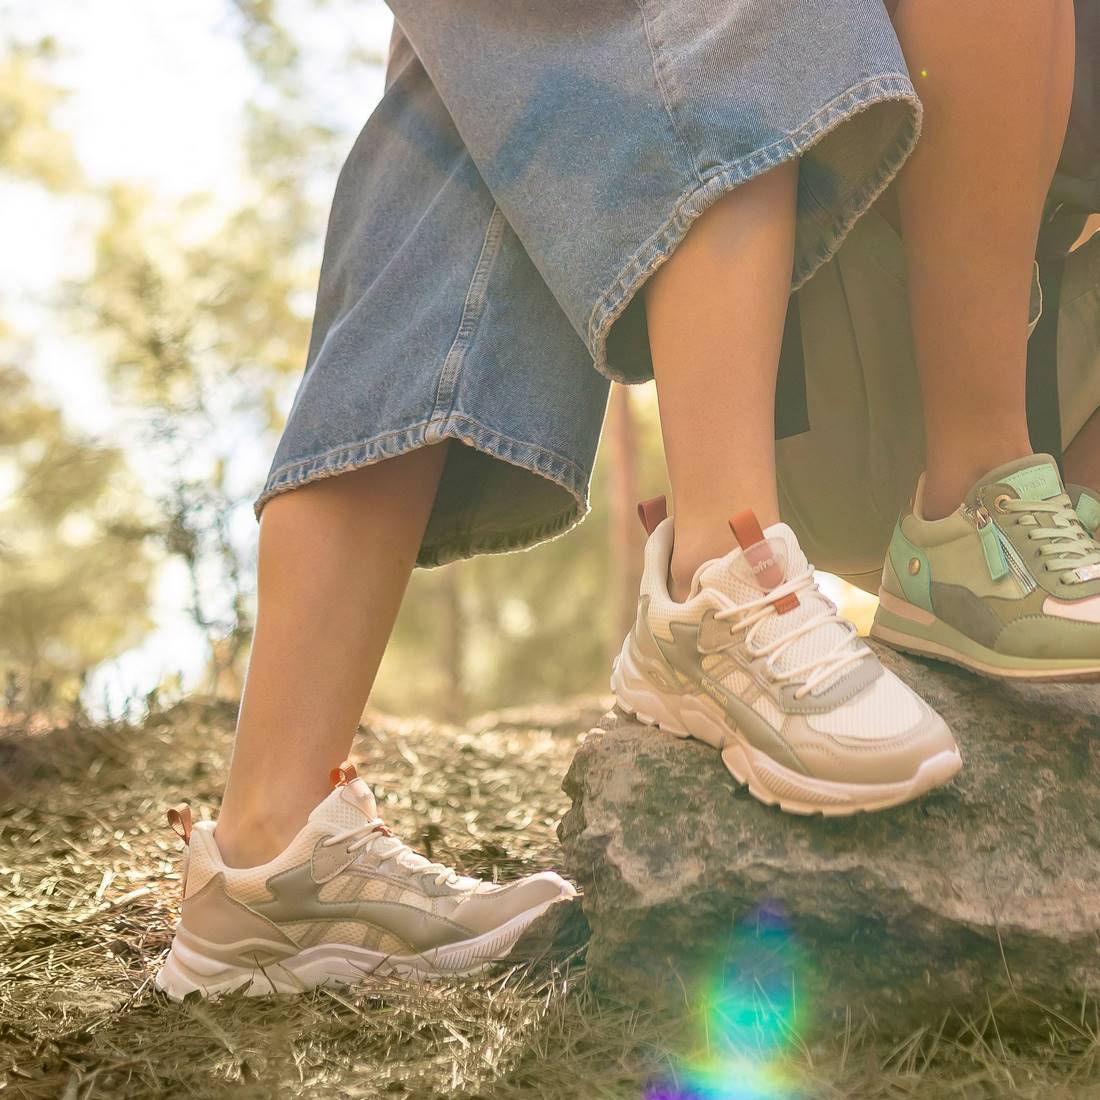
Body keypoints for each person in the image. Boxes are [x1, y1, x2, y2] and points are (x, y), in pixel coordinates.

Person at [156, 1, 1099, 1001]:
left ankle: (969, 521)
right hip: (817, 371)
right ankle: (723, 572)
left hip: (1012, 401)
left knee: (473, 79)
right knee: (475, 77)